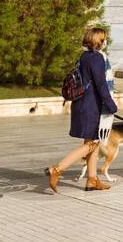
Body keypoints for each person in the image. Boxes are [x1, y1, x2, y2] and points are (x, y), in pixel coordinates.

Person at [46, 27, 118, 193]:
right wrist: (111, 106)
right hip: (91, 106)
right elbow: (101, 85)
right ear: (98, 41)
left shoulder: (84, 57)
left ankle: (92, 180)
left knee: (92, 142)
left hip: (81, 103)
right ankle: (56, 169)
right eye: (104, 39)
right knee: (92, 143)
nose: (105, 42)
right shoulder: (97, 58)